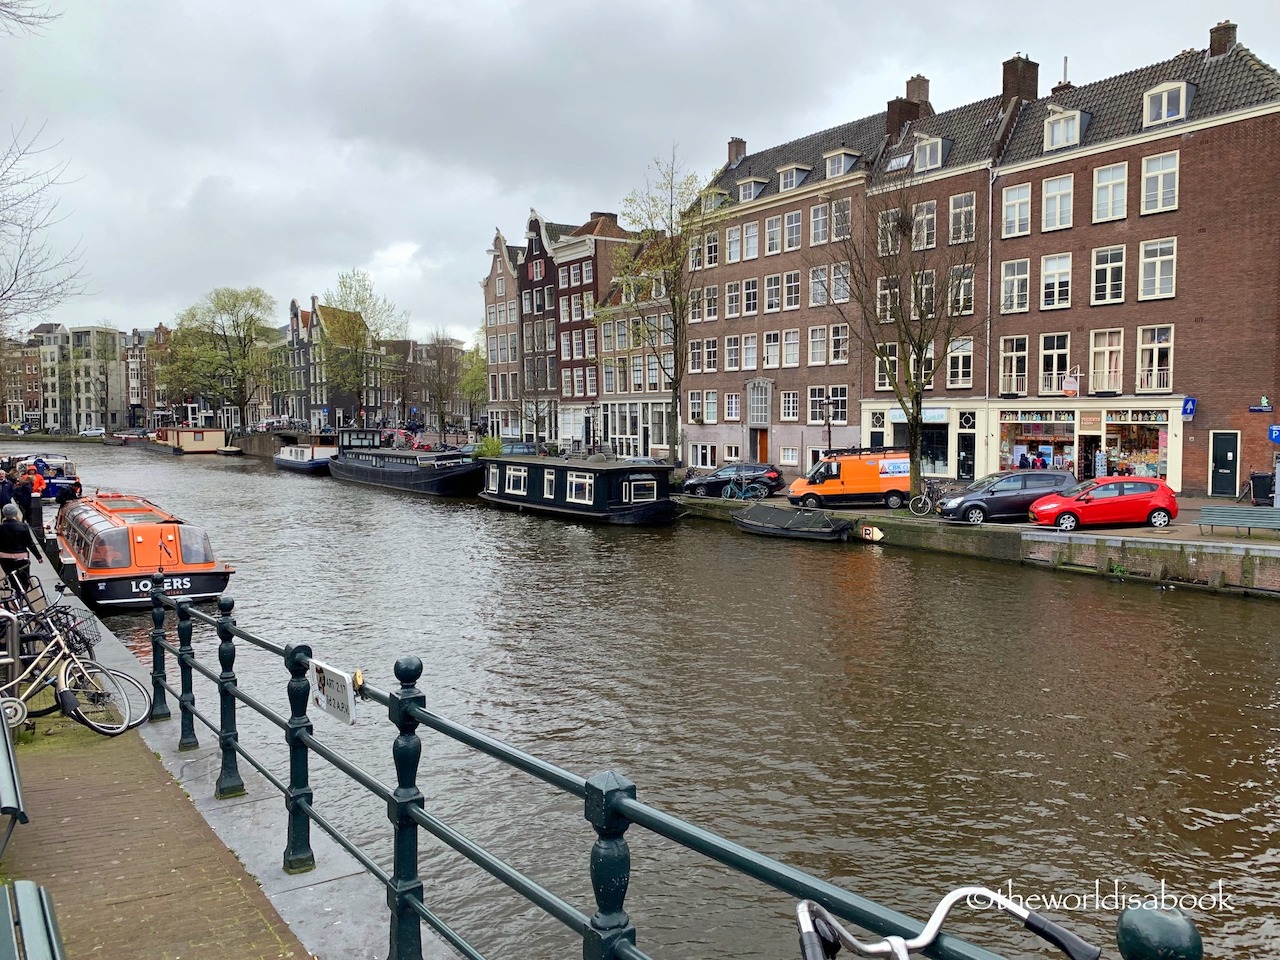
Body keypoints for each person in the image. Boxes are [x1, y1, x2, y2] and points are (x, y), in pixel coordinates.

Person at [0, 501, 44, 593]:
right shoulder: (23, 526)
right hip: (21, 557)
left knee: (13, 579)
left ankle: (15, 596)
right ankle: (20, 596)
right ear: (15, 514)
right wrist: (38, 557)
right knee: (25, 580)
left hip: (4, 558)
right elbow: (30, 543)